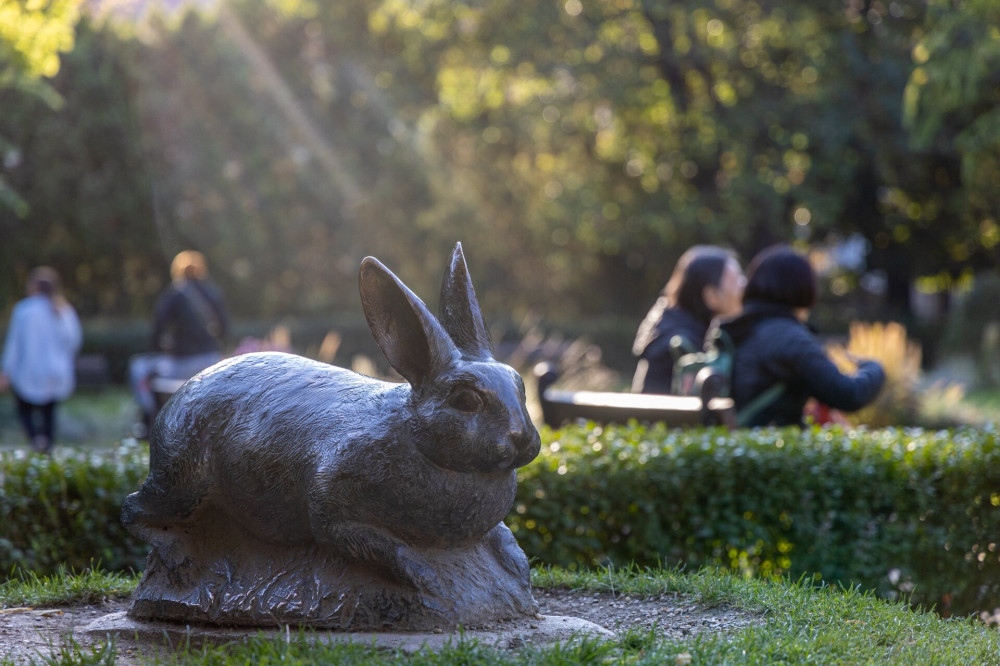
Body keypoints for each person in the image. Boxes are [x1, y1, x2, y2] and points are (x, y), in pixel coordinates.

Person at [718, 244, 885, 427]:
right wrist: (873, 368)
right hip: (772, 448)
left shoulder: (739, 329)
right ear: (803, 289)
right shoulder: (788, 337)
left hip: (742, 443)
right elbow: (850, 394)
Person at [129, 250, 228, 431]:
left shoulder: (174, 294)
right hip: (210, 360)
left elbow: (158, 328)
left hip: (180, 361)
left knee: (139, 368)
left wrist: (162, 346)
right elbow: (225, 328)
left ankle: (148, 420)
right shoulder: (213, 293)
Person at [632, 246, 745, 393]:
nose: (745, 285)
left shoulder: (671, 325)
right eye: (737, 280)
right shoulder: (682, 346)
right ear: (711, 296)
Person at [0, 267, 82, 452]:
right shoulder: (64, 311)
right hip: (56, 372)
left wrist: (6, 371)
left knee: (24, 408)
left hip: (29, 371)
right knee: (49, 411)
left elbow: (14, 344)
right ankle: (46, 446)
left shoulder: (24, 310)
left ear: (35, 286)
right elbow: (74, 341)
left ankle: (36, 438)